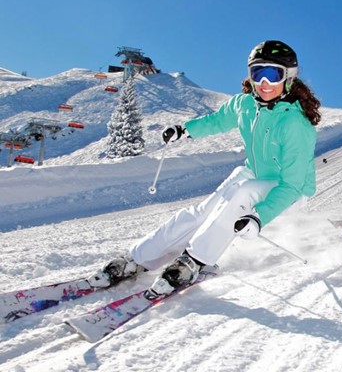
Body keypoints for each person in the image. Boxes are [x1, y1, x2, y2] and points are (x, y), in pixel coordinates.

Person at [87, 40, 321, 297]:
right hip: (254, 172)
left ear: (288, 78)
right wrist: (185, 130)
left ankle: (196, 261)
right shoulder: (245, 103)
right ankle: (138, 257)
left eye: (272, 74)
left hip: (290, 188)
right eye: (258, 73)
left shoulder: (295, 124)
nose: (264, 83)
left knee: (242, 195)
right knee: (202, 212)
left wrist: (259, 216)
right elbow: (218, 121)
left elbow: (292, 185)